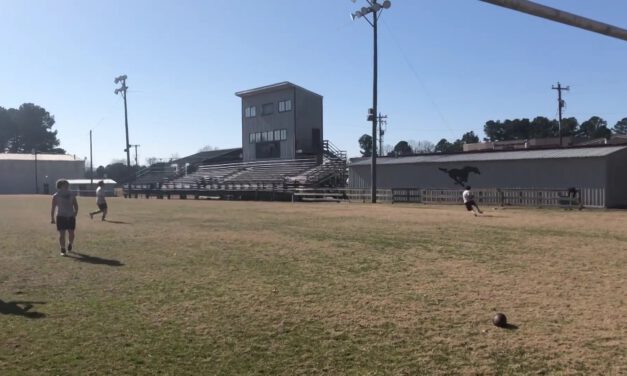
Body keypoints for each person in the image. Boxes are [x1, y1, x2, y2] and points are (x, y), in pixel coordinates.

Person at [51, 179, 79, 256]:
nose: (67, 186)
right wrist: (52, 218)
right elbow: (53, 207)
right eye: (65, 184)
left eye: (67, 185)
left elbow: (76, 205)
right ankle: (62, 248)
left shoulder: (72, 194)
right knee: (62, 234)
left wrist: (75, 213)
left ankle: (70, 243)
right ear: (60, 186)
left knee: (71, 233)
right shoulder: (55, 196)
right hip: (60, 216)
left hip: (70, 216)